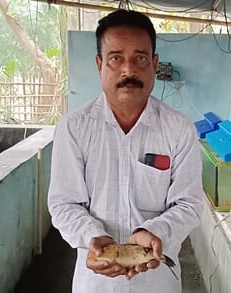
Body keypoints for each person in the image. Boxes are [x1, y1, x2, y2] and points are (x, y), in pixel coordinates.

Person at [48, 9, 204, 293]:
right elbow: (63, 203)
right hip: (95, 281)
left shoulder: (179, 130)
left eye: (140, 59)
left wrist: (154, 232)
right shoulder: (73, 129)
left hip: (157, 281)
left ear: (155, 64)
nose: (129, 70)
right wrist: (93, 235)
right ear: (100, 64)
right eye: (116, 58)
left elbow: (189, 204)